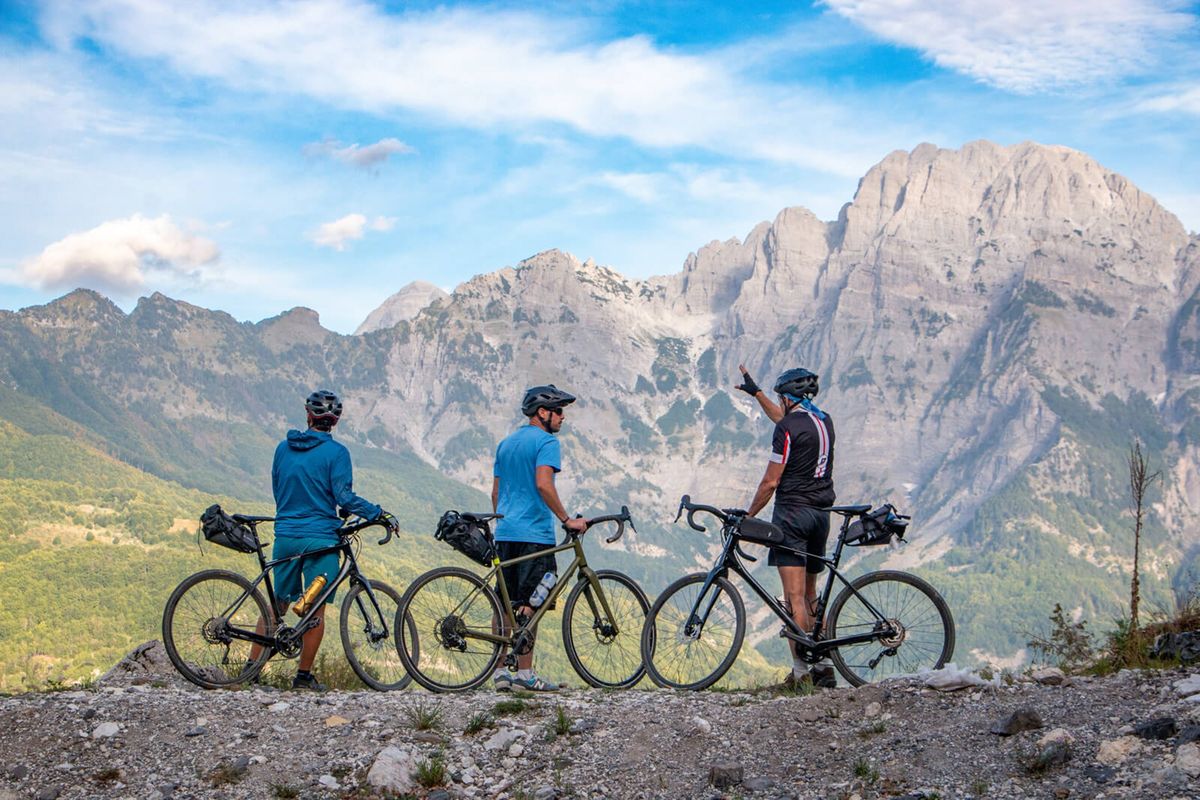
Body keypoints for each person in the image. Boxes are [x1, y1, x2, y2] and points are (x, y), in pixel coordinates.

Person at [259, 389, 396, 690]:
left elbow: (278, 487)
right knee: (315, 608)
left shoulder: (283, 449)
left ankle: (251, 669)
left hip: (286, 534)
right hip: (321, 539)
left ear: (308, 416)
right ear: (335, 421)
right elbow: (343, 496)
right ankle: (303, 677)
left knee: (276, 605)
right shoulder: (337, 454)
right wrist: (377, 513)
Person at [738, 366, 837, 687]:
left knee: (793, 598)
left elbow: (770, 482)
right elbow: (785, 419)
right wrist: (757, 394)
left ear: (787, 398)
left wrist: (749, 515)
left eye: (780, 398)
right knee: (809, 597)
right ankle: (823, 668)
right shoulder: (823, 421)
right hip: (821, 516)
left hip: (792, 515)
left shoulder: (787, 429)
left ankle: (800, 674)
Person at [490, 384, 588, 692]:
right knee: (536, 598)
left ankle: (499, 673)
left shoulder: (506, 444)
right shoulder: (546, 443)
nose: (562, 418)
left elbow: (496, 493)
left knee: (504, 603)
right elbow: (544, 484)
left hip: (505, 531)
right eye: (558, 411)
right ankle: (525, 673)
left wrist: (507, 520)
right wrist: (566, 519)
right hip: (535, 533)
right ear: (542, 413)